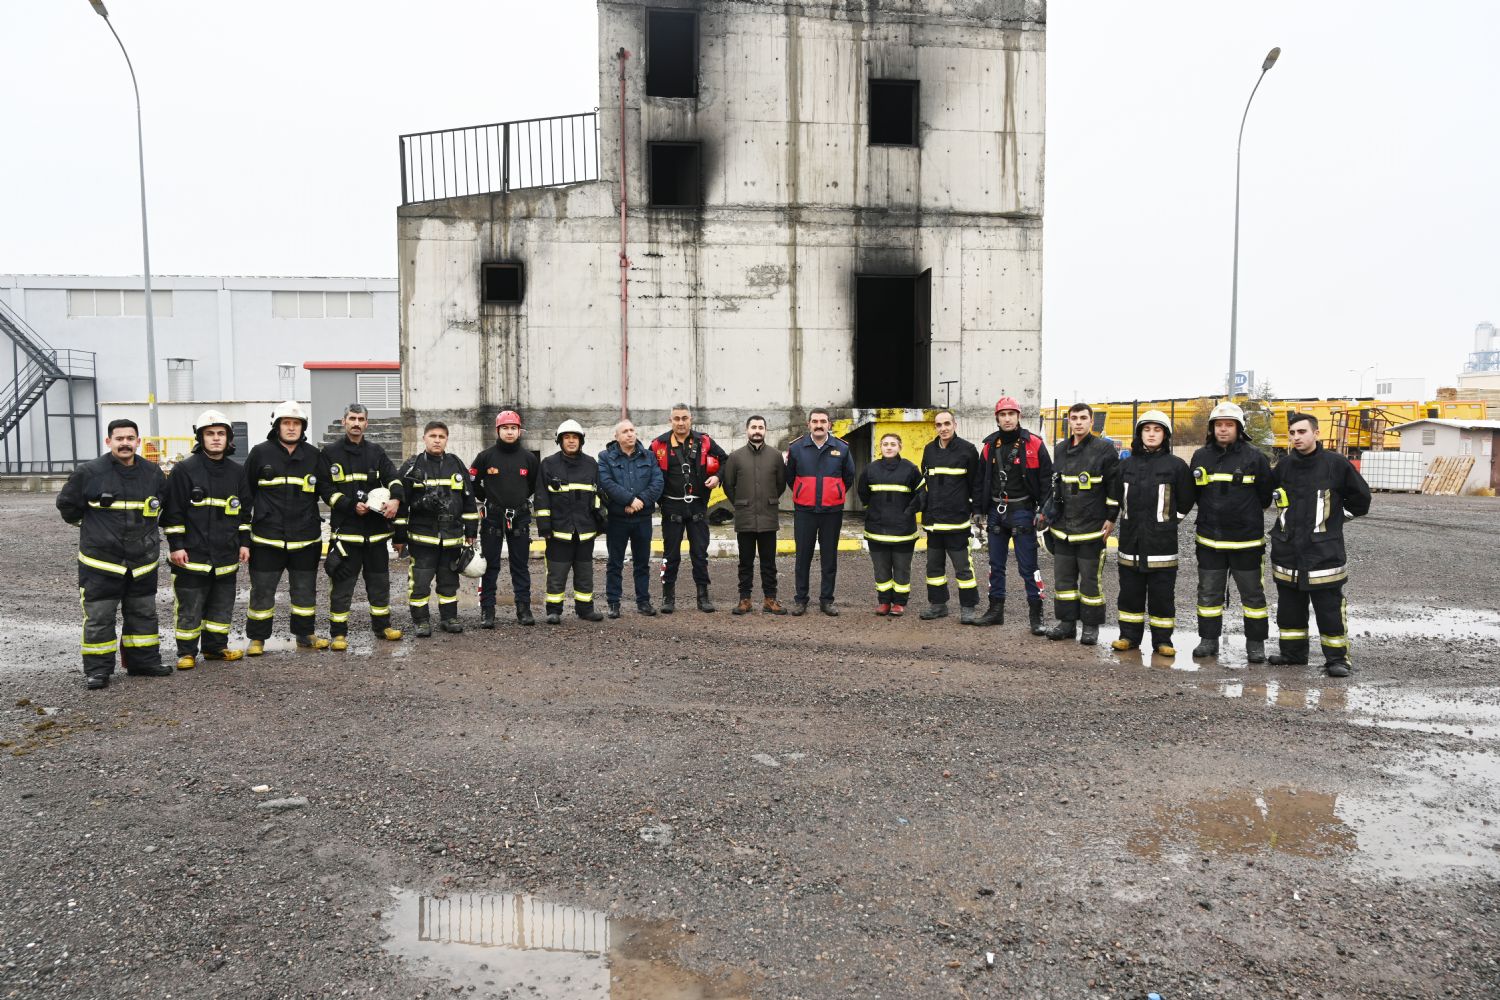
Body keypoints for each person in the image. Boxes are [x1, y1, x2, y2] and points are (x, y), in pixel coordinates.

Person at [57, 419, 171, 689]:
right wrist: (93, 530)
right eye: (119, 438)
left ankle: (143, 662)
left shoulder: (153, 474)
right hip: (101, 563)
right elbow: (67, 507)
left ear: (138, 442)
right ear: (108, 442)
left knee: (143, 615)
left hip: (142, 562)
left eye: (130, 438)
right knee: (99, 617)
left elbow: (163, 507)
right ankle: (98, 670)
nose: (125, 443)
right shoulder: (89, 472)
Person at [1267, 412, 1372, 677]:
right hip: (1288, 552)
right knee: (1289, 610)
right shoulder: (1284, 467)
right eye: (1292, 433)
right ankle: (1293, 654)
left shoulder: (1336, 464)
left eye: (1302, 432)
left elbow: (1361, 500)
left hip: (1323, 554)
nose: (1296, 437)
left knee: (1329, 610)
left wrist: (1337, 520)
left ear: (1316, 433)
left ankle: (1338, 659)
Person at [160, 410, 250, 670]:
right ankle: (186, 652)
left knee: (222, 606)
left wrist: (244, 542)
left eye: (221, 434)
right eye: (210, 434)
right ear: (200, 437)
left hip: (225, 554)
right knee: (190, 606)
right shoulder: (184, 470)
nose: (215, 439)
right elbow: (173, 511)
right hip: (192, 555)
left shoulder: (237, 472)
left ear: (228, 438)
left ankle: (215, 648)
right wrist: (176, 546)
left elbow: (244, 512)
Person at [1188, 401, 1274, 662]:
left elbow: (1265, 498)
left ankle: (1255, 645)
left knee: (1253, 597)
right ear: (1211, 428)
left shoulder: (1255, 458)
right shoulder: (1201, 456)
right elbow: (1196, 494)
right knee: (1209, 594)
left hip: (1246, 543)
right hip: (1209, 542)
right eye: (1218, 425)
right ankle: (1208, 640)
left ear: (1239, 428)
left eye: (1229, 425)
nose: (1223, 430)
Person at [245, 401, 330, 654]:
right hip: (266, 539)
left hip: (305, 539)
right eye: (286, 423)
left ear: (302, 427)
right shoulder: (260, 453)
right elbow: (246, 492)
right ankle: (257, 639)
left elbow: (326, 489)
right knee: (262, 591)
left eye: (296, 424)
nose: (291, 428)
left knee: (305, 592)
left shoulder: (314, 456)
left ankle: (305, 635)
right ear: (276, 426)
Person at [1109, 411, 1196, 656]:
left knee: (1162, 596)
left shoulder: (1176, 466)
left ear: (1165, 435)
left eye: (1157, 430)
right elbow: (1117, 497)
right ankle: (1128, 637)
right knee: (1129, 595)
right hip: (1130, 543)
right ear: (1139, 434)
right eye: (1147, 430)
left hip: (1162, 546)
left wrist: (1169, 522)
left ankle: (1163, 641)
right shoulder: (1125, 465)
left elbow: (1187, 500)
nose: (1151, 434)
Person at [321, 402, 405, 649]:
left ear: (366, 423)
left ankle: (382, 627)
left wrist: (395, 499)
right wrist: (349, 505)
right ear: (343, 421)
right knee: (342, 588)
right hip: (346, 536)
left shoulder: (376, 452)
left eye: (361, 419)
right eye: (352, 418)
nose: (356, 423)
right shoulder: (330, 454)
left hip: (376, 536)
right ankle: (338, 634)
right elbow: (325, 489)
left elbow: (393, 478)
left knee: (379, 586)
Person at [975, 396, 1053, 634]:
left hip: (1023, 511)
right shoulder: (989, 447)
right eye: (1003, 414)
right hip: (996, 512)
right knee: (995, 565)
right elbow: (980, 481)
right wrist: (978, 510)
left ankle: (1036, 616)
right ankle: (995, 611)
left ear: (1019, 417)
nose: (1007, 418)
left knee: (1028, 566)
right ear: (997, 418)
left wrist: (1043, 511)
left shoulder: (1035, 445)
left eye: (1011, 414)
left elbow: (1047, 482)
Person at [1046, 402, 1120, 646]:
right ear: (1069, 421)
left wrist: (1111, 517)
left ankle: (1090, 627)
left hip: (1091, 529)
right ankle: (1067, 624)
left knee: (1090, 581)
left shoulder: (1104, 450)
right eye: (1074, 418)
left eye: (1082, 418)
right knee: (1064, 581)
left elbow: (1114, 487)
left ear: (1091, 421)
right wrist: (1047, 514)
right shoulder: (1060, 449)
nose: (1078, 422)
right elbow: (1055, 485)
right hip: (1063, 529)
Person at [396, 421, 479, 637]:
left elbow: (468, 500)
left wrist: (471, 531)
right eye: (432, 435)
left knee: (449, 581)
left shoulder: (456, 464)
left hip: (451, 537)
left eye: (441, 436)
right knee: (420, 582)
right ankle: (421, 621)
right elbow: (401, 503)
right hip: (422, 538)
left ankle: (449, 618)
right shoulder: (413, 466)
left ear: (446, 440)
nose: (437, 440)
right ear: (424, 438)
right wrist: (419, 506)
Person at [650, 404, 727, 613]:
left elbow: (726, 461)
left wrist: (717, 476)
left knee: (700, 554)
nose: (681, 422)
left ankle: (703, 597)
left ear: (691, 419)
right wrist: (659, 502)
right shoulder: (658, 445)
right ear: (670, 420)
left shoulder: (704, 441)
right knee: (670, 554)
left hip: (698, 507)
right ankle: (668, 597)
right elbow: (649, 474)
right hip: (671, 507)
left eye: (684, 418)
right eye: (676, 418)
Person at [470, 410, 540, 627]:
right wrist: (487, 498)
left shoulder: (529, 458)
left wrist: (519, 502)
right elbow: (472, 482)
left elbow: (534, 486)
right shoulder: (485, 457)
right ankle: (487, 611)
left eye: (513, 428)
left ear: (519, 431)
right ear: (497, 431)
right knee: (490, 566)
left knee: (520, 566)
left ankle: (524, 609)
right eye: (505, 428)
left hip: (519, 519)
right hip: (492, 519)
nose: (509, 432)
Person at [784, 408, 855, 616]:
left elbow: (848, 476)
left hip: (831, 512)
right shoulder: (796, 448)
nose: (819, 424)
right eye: (815, 421)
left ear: (829, 425)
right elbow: (790, 477)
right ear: (808, 424)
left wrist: (835, 493)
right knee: (802, 557)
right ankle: (801, 600)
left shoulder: (841, 448)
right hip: (805, 512)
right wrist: (802, 492)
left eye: (823, 421)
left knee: (829, 558)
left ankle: (826, 600)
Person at [537, 419, 605, 624]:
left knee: (584, 573)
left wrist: (600, 523)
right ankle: (554, 610)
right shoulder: (548, 464)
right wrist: (544, 526)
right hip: (558, 531)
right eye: (567, 438)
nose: (571, 441)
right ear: (560, 441)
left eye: (575, 437)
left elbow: (598, 496)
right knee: (556, 574)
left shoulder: (591, 464)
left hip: (585, 530)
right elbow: (541, 497)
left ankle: (585, 609)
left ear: (581, 441)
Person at [917, 410, 981, 623]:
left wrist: (975, 510)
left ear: (955, 424)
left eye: (947, 424)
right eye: (938, 425)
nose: (943, 428)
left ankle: (968, 607)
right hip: (934, 522)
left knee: (963, 567)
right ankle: (938, 605)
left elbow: (976, 485)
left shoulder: (968, 450)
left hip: (957, 521)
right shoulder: (929, 450)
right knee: (934, 568)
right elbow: (927, 481)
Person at [721, 415, 788, 615]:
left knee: (769, 562)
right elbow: (728, 485)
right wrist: (740, 504)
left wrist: (768, 500)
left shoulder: (776, 456)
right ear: (747, 430)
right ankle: (745, 600)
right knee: (745, 561)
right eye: (753, 427)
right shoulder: (735, 457)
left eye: (760, 427)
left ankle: (770, 599)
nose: (757, 430)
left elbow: (781, 485)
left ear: (765, 430)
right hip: (745, 518)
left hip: (768, 517)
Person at [597, 417, 663, 618]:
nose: (630, 434)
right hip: (617, 520)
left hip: (642, 519)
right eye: (625, 431)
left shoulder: (648, 456)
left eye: (632, 430)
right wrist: (628, 500)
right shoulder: (605, 457)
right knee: (615, 563)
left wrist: (639, 501)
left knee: (642, 563)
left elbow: (658, 481)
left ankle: (643, 602)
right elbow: (606, 483)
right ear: (616, 437)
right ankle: (613, 603)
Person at [856, 432, 923, 616]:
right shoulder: (871, 469)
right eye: (885, 444)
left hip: (903, 531)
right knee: (881, 568)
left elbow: (921, 493)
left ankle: (899, 603)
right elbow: (862, 491)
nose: (889, 447)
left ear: (900, 446)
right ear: (880, 447)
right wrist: (872, 509)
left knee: (901, 569)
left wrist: (908, 512)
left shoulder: (910, 469)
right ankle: (884, 601)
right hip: (876, 529)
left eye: (893, 443)